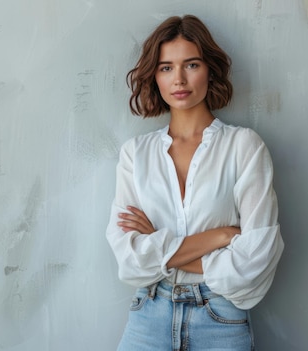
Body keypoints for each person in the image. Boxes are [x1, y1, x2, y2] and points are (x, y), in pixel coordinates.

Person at [106, 14, 284, 350]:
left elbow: (255, 260)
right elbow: (129, 261)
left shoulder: (244, 146)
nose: (179, 79)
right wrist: (218, 237)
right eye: (166, 67)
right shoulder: (135, 154)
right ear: (154, 76)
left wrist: (157, 246)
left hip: (220, 319)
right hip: (148, 316)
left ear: (209, 70)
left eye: (191, 64)